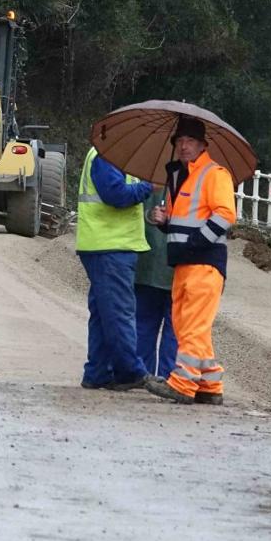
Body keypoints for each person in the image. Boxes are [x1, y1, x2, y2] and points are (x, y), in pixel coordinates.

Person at [145, 117, 236, 406]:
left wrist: (196, 243)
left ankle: (183, 384)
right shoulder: (177, 177)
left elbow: (225, 215)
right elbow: (180, 222)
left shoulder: (214, 174)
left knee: (193, 326)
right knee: (189, 325)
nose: (183, 146)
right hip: (185, 264)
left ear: (202, 145)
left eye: (190, 141)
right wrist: (162, 221)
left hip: (204, 264)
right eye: (179, 141)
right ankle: (209, 385)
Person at [76, 145, 153, 390]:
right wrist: (150, 187)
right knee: (119, 312)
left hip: (103, 244)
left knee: (103, 312)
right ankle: (130, 371)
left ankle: (98, 371)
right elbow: (116, 195)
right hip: (111, 245)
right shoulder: (109, 155)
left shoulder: (109, 154)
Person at [134, 192, 177, 377]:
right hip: (179, 268)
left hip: (146, 263)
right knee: (175, 330)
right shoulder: (199, 179)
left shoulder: (144, 172)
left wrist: (149, 216)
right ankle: (169, 378)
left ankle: (142, 375)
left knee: (143, 325)